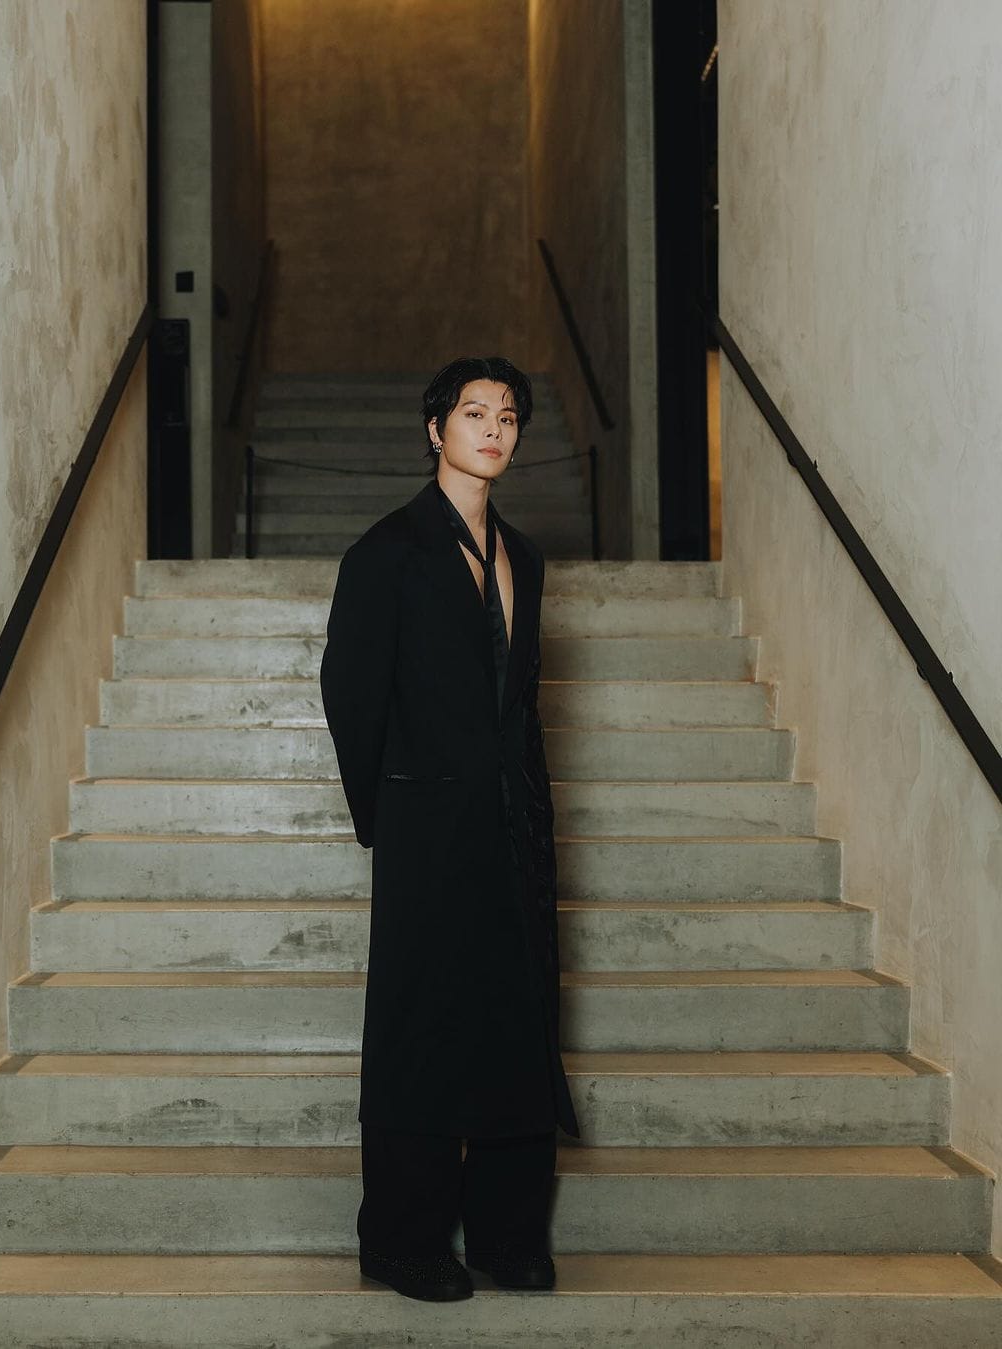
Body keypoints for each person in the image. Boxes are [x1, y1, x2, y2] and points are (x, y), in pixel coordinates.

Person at [319, 355, 580, 1304]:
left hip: (514, 823)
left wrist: (533, 805)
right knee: (421, 1025)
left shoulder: (526, 559)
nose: (494, 429)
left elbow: (521, 703)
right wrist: (394, 812)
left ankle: (510, 1232)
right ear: (436, 430)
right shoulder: (386, 551)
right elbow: (350, 693)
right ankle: (401, 1237)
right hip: (426, 824)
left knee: (517, 1015)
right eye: (475, 413)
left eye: (508, 416)